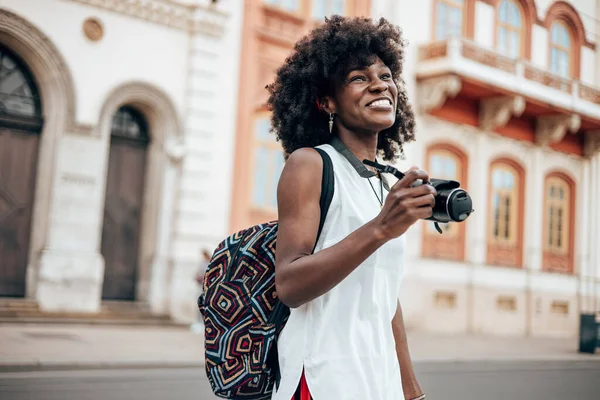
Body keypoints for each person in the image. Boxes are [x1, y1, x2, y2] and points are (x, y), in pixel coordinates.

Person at [266, 15, 435, 400]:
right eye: (358, 78)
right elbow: (289, 284)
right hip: (323, 379)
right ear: (326, 101)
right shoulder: (310, 164)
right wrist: (380, 229)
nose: (379, 84)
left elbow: (384, 294)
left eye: (386, 75)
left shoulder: (384, 182)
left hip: (379, 381)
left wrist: (410, 388)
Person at [191, 249, 211, 333]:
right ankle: (200, 323)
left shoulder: (207, 263)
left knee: (203, 305)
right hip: (202, 286)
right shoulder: (204, 263)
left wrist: (200, 277)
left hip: (205, 287)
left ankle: (202, 324)